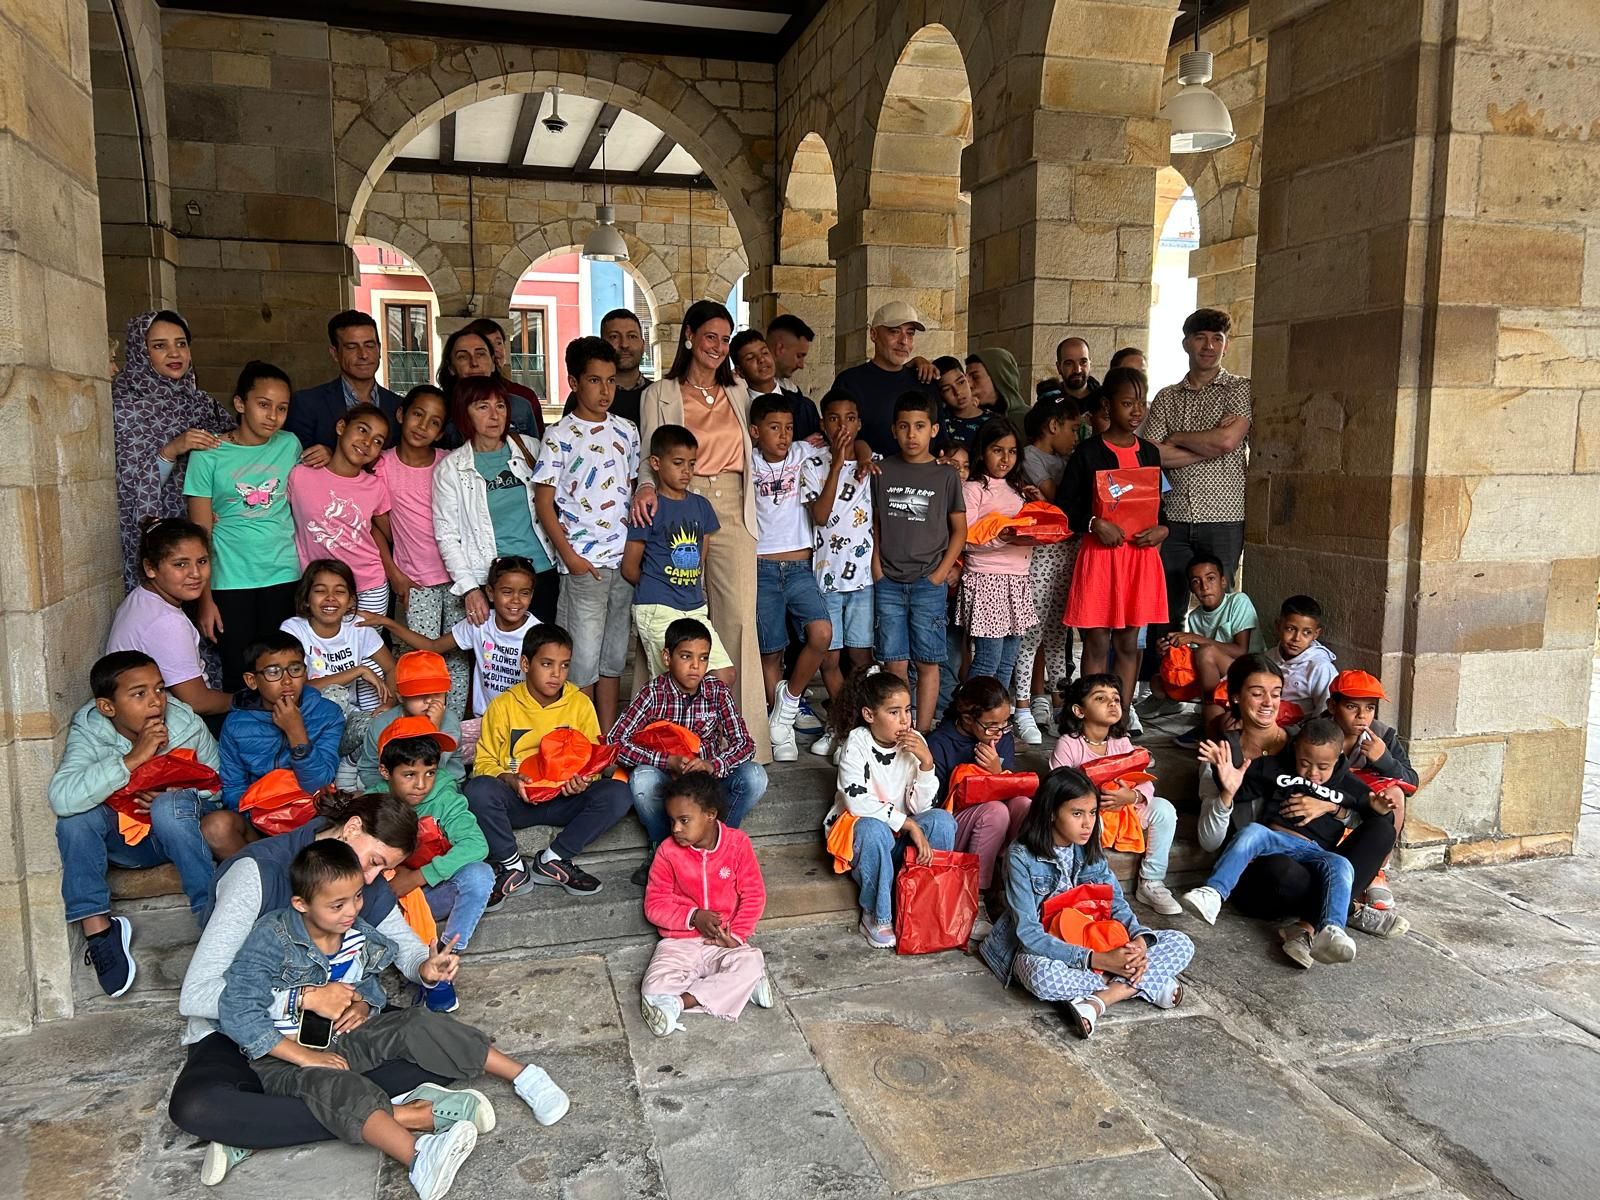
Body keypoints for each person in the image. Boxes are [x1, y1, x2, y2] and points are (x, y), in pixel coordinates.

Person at [216, 841, 565, 1199]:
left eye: (356, 898)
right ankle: (419, 1158)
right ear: (301, 904)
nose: (350, 911)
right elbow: (237, 1009)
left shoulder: (356, 933)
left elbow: (366, 981)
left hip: (344, 1037)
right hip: (283, 1058)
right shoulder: (272, 936)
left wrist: (364, 1005)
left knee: (416, 1022)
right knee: (336, 1085)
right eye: (337, 905)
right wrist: (307, 1056)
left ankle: (525, 1076)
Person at [169, 791, 482, 1184]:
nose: (370, 880)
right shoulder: (258, 872)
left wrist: (425, 968)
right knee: (197, 1108)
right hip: (239, 1033)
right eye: (374, 862)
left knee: (439, 1046)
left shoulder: (364, 880)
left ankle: (256, 1131)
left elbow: (404, 947)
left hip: (327, 1036)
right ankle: (403, 1115)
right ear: (352, 829)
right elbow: (196, 992)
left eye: (381, 872)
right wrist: (305, 997)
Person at [632, 299, 770, 761]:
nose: (718, 347)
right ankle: (661, 740)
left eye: (725, 339)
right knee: (672, 618)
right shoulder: (660, 393)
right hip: (676, 505)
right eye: (710, 336)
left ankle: (742, 741)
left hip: (731, 504)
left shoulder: (740, 392)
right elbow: (649, 457)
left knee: (736, 620)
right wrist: (645, 490)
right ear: (689, 336)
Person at [49, 651, 221, 996]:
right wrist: (133, 759)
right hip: (125, 843)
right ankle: (99, 930)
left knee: (170, 806)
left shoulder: (185, 725)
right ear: (107, 707)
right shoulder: (92, 729)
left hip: (177, 835)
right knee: (75, 820)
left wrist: (178, 794)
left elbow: (220, 790)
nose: (156, 701)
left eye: (159, 689)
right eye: (139, 694)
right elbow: (62, 797)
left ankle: (213, 920)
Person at [979, 767, 1194, 1039]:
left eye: (1092, 813)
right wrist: (1098, 959)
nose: (1087, 823)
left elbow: (1117, 904)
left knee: (1181, 943)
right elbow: (1028, 933)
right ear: (1051, 813)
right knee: (1042, 979)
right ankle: (1143, 981)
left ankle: (1098, 1001)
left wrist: (1138, 942)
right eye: (1077, 813)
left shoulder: (1089, 848)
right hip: (1049, 949)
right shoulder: (1021, 856)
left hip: (1095, 937)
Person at [1184, 718, 1400, 967]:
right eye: (1305, 763)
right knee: (1253, 833)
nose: (1313, 773)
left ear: (1339, 757)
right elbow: (1242, 785)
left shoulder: (1349, 785)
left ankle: (1331, 930)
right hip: (1275, 849)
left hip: (1315, 855)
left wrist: (1371, 809)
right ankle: (1213, 893)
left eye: (1323, 767)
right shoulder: (1276, 768)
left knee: (1343, 864)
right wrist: (1226, 780)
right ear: (1296, 750)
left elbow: (1374, 815)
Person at [463, 624, 632, 905]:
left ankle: (554, 859)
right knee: (477, 790)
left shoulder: (579, 704)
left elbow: (592, 760)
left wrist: (583, 781)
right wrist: (508, 779)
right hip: (519, 799)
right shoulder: (504, 706)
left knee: (618, 794)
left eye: (564, 665)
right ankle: (511, 865)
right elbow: (483, 762)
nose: (556, 674)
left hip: (564, 799)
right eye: (547, 664)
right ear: (526, 664)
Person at [533, 336, 640, 732]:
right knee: (582, 663)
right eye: (595, 381)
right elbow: (545, 503)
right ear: (574, 382)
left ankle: (607, 740)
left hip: (621, 563)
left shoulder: (627, 431)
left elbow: (631, 491)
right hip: (584, 565)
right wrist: (572, 558)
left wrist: (633, 555)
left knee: (613, 659)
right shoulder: (559, 435)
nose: (605, 390)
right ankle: (581, 740)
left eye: (611, 381)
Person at [612, 616, 766, 885]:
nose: (696, 666)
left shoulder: (717, 691)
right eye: (686, 656)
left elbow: (745, 744)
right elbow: (615, 741)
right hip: (668, 781)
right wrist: (665, 760)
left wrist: (712, 765)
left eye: (703, 658)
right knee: (643, 779)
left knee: (755, 777)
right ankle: (663, 850)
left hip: (706, 782)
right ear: (667, 657)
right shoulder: (653, 694)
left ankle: (715, 844)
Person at [183, 361, 302, 691]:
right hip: (229, 581)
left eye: (282, 408)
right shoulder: (208, 455)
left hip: (284, 575)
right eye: (263, 405)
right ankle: (244, 741)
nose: (272, 416)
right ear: (239, 404)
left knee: (283, 670)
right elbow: (200, 532)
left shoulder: (290, 445)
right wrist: (204, 600)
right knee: (240, 673)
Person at [1059, 367, 1169, 717]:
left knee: (1128, 641)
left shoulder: (1150, 453)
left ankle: (1120, 714)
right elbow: (1065, 507)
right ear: (1107, 406)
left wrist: (1162, 529)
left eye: (1141, 402)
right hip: (1102, 556)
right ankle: (1090, 715)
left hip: (1139, 557)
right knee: (1096, 640)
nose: (1136, 411)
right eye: (1126, 403)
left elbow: (1158, 506)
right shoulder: (1088, 453)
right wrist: (1094, 523)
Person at [823, 666, 956, 948]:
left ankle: (927, 907)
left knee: (942, 820)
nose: (904, 720)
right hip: (867, 840)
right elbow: (856, 802)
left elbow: (921, 806)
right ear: (869, 715)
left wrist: (926, 764)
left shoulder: (915, 742)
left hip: (901, 838)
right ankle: (877, 915)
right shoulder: (856, 743)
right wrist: (908, 824)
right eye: (893, 712)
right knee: (873, 830)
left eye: (908, 710)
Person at [1141, 308, 1252, 647]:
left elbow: (1228, 441)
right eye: (1201, 338)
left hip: (1224, 517)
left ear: (1226, 345)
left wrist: (1177, 437)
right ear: (1186, 343)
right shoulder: (1166, 397)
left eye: (1217, 339)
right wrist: (1208, 444)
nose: (1209, 346)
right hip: (1173, 517)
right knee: (1167, 603)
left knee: (1219, 605)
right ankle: (1166, 681)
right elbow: (1152, 454)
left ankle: (1217, 683)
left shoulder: (1239, 389)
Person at [639, 771, 772, 1035]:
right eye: (672, 820)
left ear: (710, 815)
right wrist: (692, 916)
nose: (675, 828)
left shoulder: (737, 844)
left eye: (684, 820)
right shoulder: (667, 851)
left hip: (723, 942)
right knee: (652, 989)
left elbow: (754, 895)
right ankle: (739, 990)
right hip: (679, 944)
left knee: (749, 962)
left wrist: (736, 937)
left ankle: (678, 1004)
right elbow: (655, 905)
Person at [375, 717, 492, 1012]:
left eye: (429, 773)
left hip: (431, 891)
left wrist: (418, 876)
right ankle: (414, 965)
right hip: (390, 901)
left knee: (480, 875)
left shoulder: (446, 799)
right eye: (409, 774)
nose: (421, 785)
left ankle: (442, 956)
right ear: (385, 772)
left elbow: (476, 845)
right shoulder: (372, 802)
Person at [113, 309, 232, 590]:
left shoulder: (202, 403)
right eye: (159, 346)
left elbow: (236, 449)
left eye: (181, 343)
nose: (174, 353)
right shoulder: (123, 406)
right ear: (140, 352)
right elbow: (127, 487)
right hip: (158, 536)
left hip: (206, 531)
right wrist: (171, 450)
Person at [432, 375, 561, 627]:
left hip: (542, 570)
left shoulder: (531, 448)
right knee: (498, 658)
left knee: (542, 654)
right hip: (493, 577)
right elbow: (447, 535)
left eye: (500, 405)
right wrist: (470, 589)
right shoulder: (451, 468)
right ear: (463, 414)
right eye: (482, 407)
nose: (494, 415)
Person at [873, 392, 967, 731]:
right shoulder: (882, 470)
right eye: (904, 427)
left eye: (919, 426)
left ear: (933, 429)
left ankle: (922, 731)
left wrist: (940, 574)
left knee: (928, 662)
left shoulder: (945, 476)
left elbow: (960, 530)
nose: (911, 434)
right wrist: (877, 567)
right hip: (890, 583)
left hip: (928, 583)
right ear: (894, 430)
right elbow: (876, 522)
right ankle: (895, 732)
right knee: (893, 663)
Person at [1048, 674, 1181, 915]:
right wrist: (1092, 801)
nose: (1112, 704)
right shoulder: (1068, 744)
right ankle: (1086, 879)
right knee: (1083, 818)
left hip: (1124, 810)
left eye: (1116, 699)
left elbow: (1142, 780)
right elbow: (1057, 787)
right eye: (1101, 698)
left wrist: (1133, 797)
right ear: (1079, 710)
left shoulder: (1122, 742)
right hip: (1091, 815)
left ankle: (1151, 881)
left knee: (1164, 810)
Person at [207, 633, 345, 859]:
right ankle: (262, 877)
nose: (287, 680)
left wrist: (296, 732)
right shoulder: (236, 724)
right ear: (252, 680)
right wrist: (265, 816)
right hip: (259, 821)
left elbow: (319, 784)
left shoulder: (327, 714)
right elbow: (233, 787)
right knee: (216, 827)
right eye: (273, 672)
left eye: (295, 669)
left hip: (310, 819)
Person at [375, 384, 470, 712]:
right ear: (401, 414)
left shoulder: (451, 463)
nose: (422, 426)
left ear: (441, 432)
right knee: (421, 658)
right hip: (416, 581)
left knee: (457, 655)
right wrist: (395, 574)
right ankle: (422, 728)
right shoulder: (383, 466)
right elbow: (377, 524)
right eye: (417, 414)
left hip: (459, 577)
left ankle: (453, 728)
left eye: (433, 422)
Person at [748, 393, 832, 759]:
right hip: (762, 567)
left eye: (788, 428)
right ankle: (779, 730)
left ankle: (787, 705)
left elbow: (848, 438)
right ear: (754, 432)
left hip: (799, 567)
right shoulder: (746, 461)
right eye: (773, 428)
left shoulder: (803, 453)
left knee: (821, 633)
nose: (783, 435)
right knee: (772, 650)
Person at [622, 424, 733, 681]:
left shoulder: (701, 506)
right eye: (678, 463)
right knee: (676, 682)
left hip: (694, 607)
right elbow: (629, 567)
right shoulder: (648, 508)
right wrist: (658, 582)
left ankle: (691, 723)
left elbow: (700, 559)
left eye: (692, 464)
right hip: (658, 607)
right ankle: (667, 723)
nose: (687, 471)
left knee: (723, 674)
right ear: (656, 463)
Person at [370, 555, 543, 715]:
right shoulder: (480, 623)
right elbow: (433, 647)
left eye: (524, 593)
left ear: (532, 595)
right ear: (490, 593)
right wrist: (388, 623)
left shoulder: (538, 634)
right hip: (484, 719)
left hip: (523, 719)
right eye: (507, 592)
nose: (516, 600)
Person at [801, 391, 875, 758]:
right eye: (833, 418)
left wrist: (859, 453)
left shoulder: (870, 462)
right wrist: (836, 465)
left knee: (861, 658)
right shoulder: (812, 464)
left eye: (850, 418)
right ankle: (843, 725)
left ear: (859, 422)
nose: (842, 425)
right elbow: (819, 514)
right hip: (827, 576)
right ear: (822, 424)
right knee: (829, 658)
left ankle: (860, 725)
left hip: (863, 579)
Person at [926, 676, 1033, 924]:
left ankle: (1021, 882)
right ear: (966, 719)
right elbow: (937, 805)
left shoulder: (1000, 736)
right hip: (957, 826)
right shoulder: (939, 743)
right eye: (991, 725)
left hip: (998, 826)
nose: (999, 731)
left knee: (1023, 805)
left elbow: (1011, 793)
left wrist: (997, 773)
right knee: (995, 811)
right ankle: (977, 894)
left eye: (1005, 723)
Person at [106, 518, 232, 718]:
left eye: (202, 561)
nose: (196, 573)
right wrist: (248, 700)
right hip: (172, 727)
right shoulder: (166, 622)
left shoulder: (142, 597)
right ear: (150, 568)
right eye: (180, 564)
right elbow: (198, 702)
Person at [281, 559, 397, 772]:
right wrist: (358, 671)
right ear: (306, 599)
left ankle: (349, 766)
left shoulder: (357, 628)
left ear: (351, 601)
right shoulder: (294, 630)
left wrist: (388, 704)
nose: (330, 598)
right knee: (334, 695)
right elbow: (296, 688)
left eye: (340, 591)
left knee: (384, 724)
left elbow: (392, 668)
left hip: (347, 721)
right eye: (320, 591)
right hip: (308, 722)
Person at [1011, 395, 1081, 744]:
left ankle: (1060, 704)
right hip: (1041, 555)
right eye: (1072, 428)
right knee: (1031, 633)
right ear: (1052, 426)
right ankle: (1022, 706)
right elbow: (1058, 498)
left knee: (1059, 633)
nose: (1076, 437)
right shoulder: (1030, 457)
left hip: (1067, 552)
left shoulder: (1067, 458)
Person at [287, 402, 394, 619]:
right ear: (340, 427)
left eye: (377, 441)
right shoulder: (300, 475)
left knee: (366, 652)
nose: (367, 442)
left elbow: (388, 532)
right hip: (318, 588)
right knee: (320, 651)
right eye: (362, 430)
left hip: (368, 585)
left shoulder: (376, 486)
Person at [1324, 669, 1418, 914]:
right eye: (1352, 707)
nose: (1362, 717)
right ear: (1332, 706)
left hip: (1367, 797)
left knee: (1396, 793)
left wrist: (1384, 759)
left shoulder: (1382, 734)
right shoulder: (1317, 730)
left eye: (1370, 708)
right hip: (1330, 796)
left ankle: (1376, 871)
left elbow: (1412, 782)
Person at [958, 417, 1037, 703]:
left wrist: (1037, 507)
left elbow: (1031, 528)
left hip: (1017, 580)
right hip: (987, 580)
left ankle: (995, 722)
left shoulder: (1018, 489)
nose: (1005, 459)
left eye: (1012, 451)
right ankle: (969, 717)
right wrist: (1005, 537)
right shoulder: (974, 488)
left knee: (1007, 663)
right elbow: (964, 538)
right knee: (987, 662)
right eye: (997, 450)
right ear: (982, 451)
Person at [1148, 552, 1260, 740]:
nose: (1204, 587)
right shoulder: (1195, 616)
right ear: (1191, 588)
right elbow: (1196, 657)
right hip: (1218, 674)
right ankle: (1207, 711)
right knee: (1158, 683)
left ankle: (1209, 719)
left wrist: (1196, 638)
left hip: (1247, 670)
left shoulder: (1238, 602)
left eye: (1210, 579)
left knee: (1206, 652)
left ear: (1223, 581)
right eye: (1196, 582)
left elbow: (1241, 651)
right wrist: (1170, 650)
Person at [285, 311, 403, 462]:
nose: (364, 355)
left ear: (379, 349)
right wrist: (331, 458)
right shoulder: (306, 404)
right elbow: (292, 463)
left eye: (369, 345)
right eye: (352, 347)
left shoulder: (398, 406)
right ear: (335, 353)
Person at [1196, 654, 1289, 847]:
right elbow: (1209, 843)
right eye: (1257, 694)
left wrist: (1329, 806)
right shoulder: (1221, 754)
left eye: (1276, 693)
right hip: (1250, 858)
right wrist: (1227, 794)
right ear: (1236, 696)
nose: (1268, 703)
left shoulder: (1301, 743)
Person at [829, 301, 942, 457]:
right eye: (894, 332)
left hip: (921, 479)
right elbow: (837, 437)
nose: (904, 341)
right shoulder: (849, 382)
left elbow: (940, 440)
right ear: (873, 334)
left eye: (910, 333)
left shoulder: (924, 381)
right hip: (865, 478)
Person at [357, 651, 466, 790]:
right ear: (401, 697)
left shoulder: (449, 720)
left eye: (437, 693)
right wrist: (390, 793)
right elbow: (369, 769)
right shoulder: (382, 724)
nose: (429, 701)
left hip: (442, 787)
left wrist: (432, 727)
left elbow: (434, 767)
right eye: (419, 694)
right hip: (392, 790)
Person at [436, 327, 540, 446]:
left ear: (493, 363)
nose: (474, 363)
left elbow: (535, 457)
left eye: (480, 354)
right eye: (463, 357)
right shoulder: (441, 409)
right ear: (451, 368)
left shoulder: (520, 407)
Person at [560, 308, 651, 426]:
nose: (624, 344)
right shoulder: (583, 397)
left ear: (643, 344)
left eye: (632, 336)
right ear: (603, 342)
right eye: (614, 337)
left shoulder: (657, 395)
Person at [733, 329, 821, 444]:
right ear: (740, 371)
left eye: (765, 353)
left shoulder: (804, 407)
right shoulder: (737, 413)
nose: (761, 360)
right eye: (750, 358)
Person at [466, 317, 545, 439]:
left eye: (499, 343)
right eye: (486, 344)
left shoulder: (524, 397)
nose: (495, 350)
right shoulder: (453, 399)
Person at [1265, 594, 1339, 717]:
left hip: (1301, 730)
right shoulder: (1268, 658)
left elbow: (1325, 712)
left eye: (1307, 632)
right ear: (1278, 626)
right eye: (1290, 629)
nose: (1296, 638)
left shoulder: (1320, 668)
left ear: (1316, 634)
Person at [964, 348, 1028, 436]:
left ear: (999, 378)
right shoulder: (973, 418)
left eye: (975, 377)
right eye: (966, 379)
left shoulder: (1030, 419)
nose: (969, 385)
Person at [933, 355, 988, 450]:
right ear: (940, 395)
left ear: (968, 380)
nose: (957, 392)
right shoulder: (940, 424)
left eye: (961, 382)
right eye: (947, 389)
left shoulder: (992, 421)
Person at [767, 313, 815, 400]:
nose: (801, 365)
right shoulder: (743, 388)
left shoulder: (792, 390)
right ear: (780, 348)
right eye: (799, 356)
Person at [1056, 337, 1100, 407]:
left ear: (1090, 364)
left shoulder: (1104, 401)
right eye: (1069, 363)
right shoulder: (1049, 404)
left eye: (1083, 362)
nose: (1077, 370)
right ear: (1059, 368)